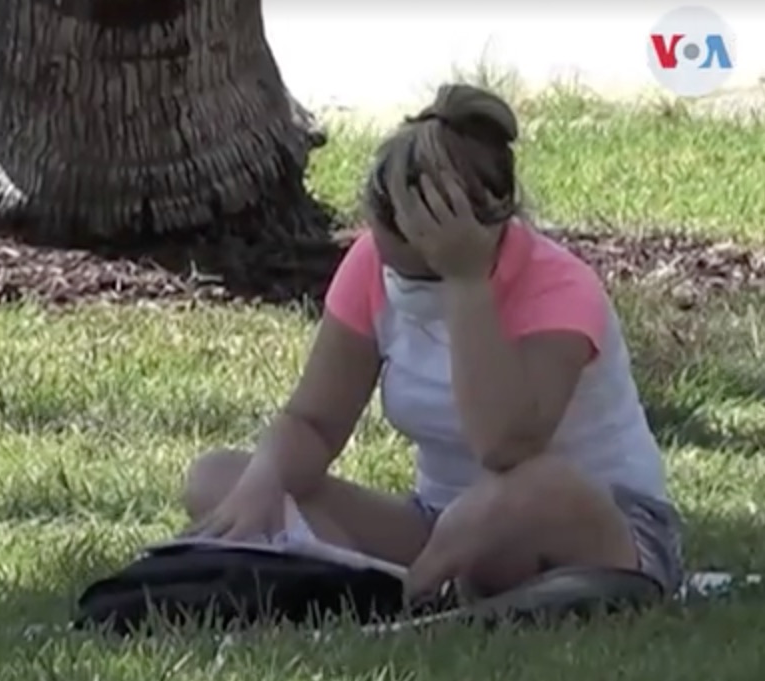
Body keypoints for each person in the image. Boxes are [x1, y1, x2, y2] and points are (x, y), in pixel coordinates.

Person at [180, 83, 684, 605]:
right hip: (439, 522)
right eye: (396, 270)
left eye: (423, 279)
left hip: (591, 522)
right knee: (218, 479)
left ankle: (411, 586)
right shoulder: (370, 263)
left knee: (535, 491)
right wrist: (264, 484)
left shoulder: (559, 286)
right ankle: (417, 582)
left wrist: (466, 285)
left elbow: (505, 446)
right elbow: (314, 422)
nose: (403, 289)